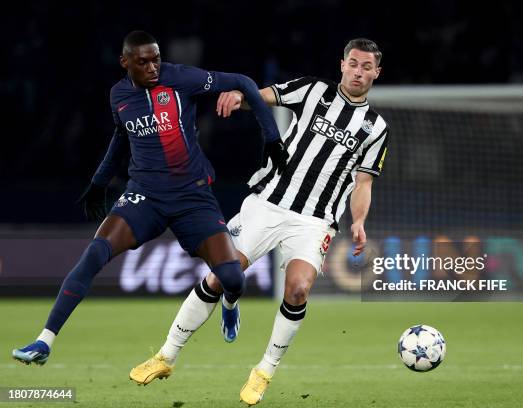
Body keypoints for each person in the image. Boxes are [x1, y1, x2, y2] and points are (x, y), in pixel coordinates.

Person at [130, 38, 389, 405]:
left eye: (367, 67)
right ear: (342, 64)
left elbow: (363, 181)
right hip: (267, 203)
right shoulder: (313, 90)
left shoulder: (376, 128)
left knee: (298, 289)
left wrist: (359, 221)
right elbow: (263, 94)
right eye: (353, 63)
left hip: (315, 220)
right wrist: (239, 96)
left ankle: (264, 370)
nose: (358, 72)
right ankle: (166, 355)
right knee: (221, 275)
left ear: (377, 73)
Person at [11, 30, 287, 366]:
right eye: (143, 62)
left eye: (155, 58)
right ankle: (44, 342)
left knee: (233, 279)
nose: (153, 67)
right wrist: (100, 181)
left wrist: (271, 139)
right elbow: (121, 137)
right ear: (125, 62)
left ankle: (229, 306)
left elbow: (243, 81)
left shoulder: (180, 78)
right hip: (145, 195)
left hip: (192, 196)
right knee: (95, 253)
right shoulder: (119, 95)